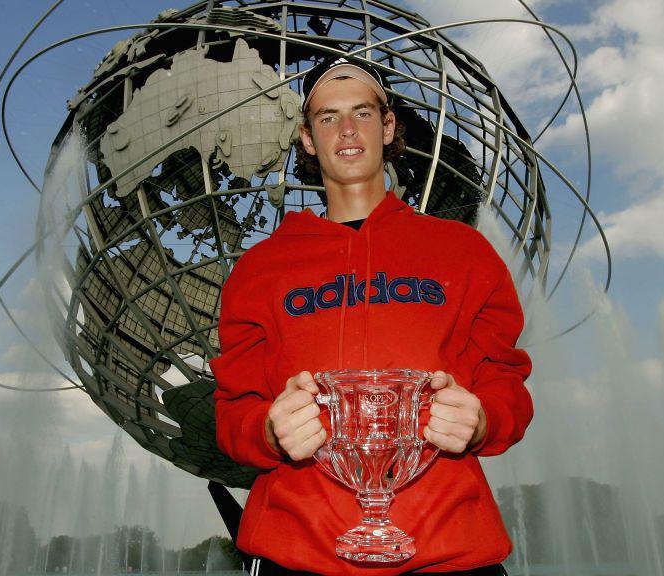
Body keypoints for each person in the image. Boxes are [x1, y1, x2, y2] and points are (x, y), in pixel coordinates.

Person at [210, 55, 533, 576]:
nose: (347, 130)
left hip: (448, 553)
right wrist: (267, 431)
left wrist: (483, 421)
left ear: (387, 127)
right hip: (298, 555)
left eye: (362, 112)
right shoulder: (259, 270)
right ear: (308, 139)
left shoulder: (464, 252)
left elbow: (506, 380)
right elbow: (232, 410)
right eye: (327, 117)